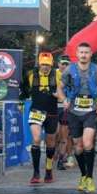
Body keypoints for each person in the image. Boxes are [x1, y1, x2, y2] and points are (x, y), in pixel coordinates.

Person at [58, 42, 97, 194]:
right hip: (74, 111)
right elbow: (59, 87)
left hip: (90, 111)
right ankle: (83, 175)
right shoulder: (69, 69)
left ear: (91, 53)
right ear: (77, 54)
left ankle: (90, 178)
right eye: (81, 52)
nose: (84, 55)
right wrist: (64, 99)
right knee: (78, 147)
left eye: (86, 52)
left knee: (87, 143)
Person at [21, 52, 62, 184]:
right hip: (36, 111)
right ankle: (36, 172)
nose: (45, 67)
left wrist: (59, 96)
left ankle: (49, 169)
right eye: (43, 64)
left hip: (52, 112)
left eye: (47, 65)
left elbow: (64, 92)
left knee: (50, 142)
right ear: (39, 63)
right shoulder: (31, 75)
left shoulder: (57, 75)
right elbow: (24, 90)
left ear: (51, 64)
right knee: (37, 139)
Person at [55, 55, 72, 170]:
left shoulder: (72, 76)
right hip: (54, 107)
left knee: (64, 135)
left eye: (67, 64)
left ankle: (61, 159)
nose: (65, 66)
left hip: (66, 108)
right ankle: (52, 154)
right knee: (54, 134)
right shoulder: (53, 74)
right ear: (58, 64)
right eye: (63, 63)